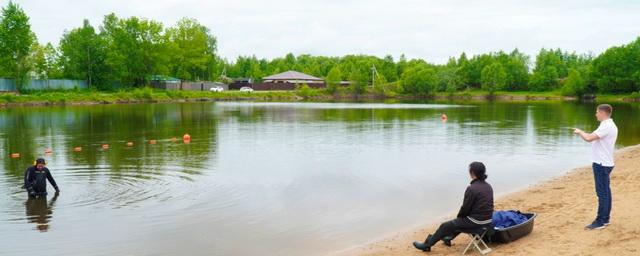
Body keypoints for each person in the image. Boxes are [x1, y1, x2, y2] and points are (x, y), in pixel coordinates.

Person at [413, 162, 494, 252]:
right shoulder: (488, 186)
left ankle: (427, 245)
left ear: (472, 172)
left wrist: (458, 218)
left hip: (477, 222)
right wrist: (460, 219)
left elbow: (465, 208)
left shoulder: (472, 188)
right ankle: (448, 238)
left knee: (446, 225)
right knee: (459, 222)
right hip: (488, 220)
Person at [573, 104, 618, 230]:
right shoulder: (605, 125)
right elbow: (593, 136)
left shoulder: (607, 126)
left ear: (603, 113)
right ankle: (605, 219)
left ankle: (600, 221)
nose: (596, 114)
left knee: (602, 193)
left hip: (602, 164)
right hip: (604, 163)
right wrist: (583, 132)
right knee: (606, 192)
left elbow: (588, 138)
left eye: (597, 112)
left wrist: (579, 131)